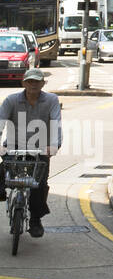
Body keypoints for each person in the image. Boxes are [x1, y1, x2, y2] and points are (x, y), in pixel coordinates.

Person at [0, 69, 62, 238]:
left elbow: (56, 124)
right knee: (4, 175)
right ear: (24, 83)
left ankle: (35, 220)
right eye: (30, 81)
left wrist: (54, 146)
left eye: (37, 81)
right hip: (14, 147)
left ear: (43, 83)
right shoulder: (11, 100)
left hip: (40, 149)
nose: (33, 84)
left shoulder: (51, 100)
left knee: (39, 185)